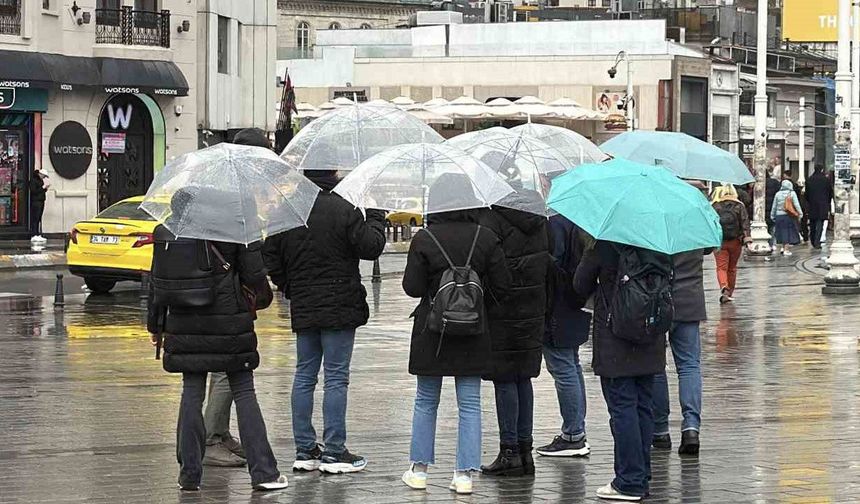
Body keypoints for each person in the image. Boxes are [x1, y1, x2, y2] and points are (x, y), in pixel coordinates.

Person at [147, 189, 287, 492]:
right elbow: (254, 276)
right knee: (244, 392)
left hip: (183, 324)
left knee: (191, 393)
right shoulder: (234, 229)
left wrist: (155, 326)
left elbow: (157, 283)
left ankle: (189, 476)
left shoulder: (166, 233)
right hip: (229, 323)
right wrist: (258, 298)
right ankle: (264, 473)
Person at [264, 170, 385, 474]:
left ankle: (305, 450)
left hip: (305, 305)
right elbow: (371, 247)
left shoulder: (289, 210)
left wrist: (290, 286)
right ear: (331, 176)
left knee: (304, 375)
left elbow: (270, 258)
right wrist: (374, 214)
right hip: (339, 305)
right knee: (335, 377)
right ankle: (334, 451)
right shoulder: (344, 208)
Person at [400, 174, 511, 495]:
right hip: (474, 330)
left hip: (432, 331)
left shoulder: (425, 239)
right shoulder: (486, 238)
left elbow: (412, 288)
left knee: (425, 400)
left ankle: (419, 470)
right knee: (470, 404)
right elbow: (503, 286)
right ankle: (464, 475)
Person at [574, 241, 667, 502]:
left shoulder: (604, 246)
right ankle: (642, 475)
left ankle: (629, 481)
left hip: (615, 338)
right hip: (650, 335)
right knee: (643, 407)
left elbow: (579, 285)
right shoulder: (658, 244)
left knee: (623, 408)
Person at [202, 127, 273, 468]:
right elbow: (249, 253)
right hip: (227, 293)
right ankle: (211, 439)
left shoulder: (215, 184)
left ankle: (219, 431)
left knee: (223, 368)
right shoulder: (238, 195)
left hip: (212, 290)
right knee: (228, 368)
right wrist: (261, 291)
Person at [478, 190, 549, 477]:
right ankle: (525, 452)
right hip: (534, 307)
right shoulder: (539, 217)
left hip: (502, 310)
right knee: (523, 377)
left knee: (504, 378)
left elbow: (487, 264)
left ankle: (509, 452)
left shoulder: (492, 218)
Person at [536, 213, 594, 459]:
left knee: (562, 367)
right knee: (571, 364)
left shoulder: (557, 223)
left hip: (558, 305)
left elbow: (554, 265)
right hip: (577, 303)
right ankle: (576, 430)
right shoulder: (584, 221)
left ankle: (573, 435)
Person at [652, 249, 707, 456]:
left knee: (656, 365)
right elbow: (710, 246)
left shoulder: (651, 220)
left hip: (657, 300)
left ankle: (660, 430)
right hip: (689, 300)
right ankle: (691, 427)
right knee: (689, 365)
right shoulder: (695, 220)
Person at [711, 185, 751, 303]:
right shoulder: (739, 206)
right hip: (735, 241)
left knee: (721, 267)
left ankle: (724, 286)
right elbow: (745, 223)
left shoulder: (715, 206)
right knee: (732, 268)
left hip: (719, 241)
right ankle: (730, 293)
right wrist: (747, 238)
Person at [771, 179, 803, 256]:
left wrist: (772, 215)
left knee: (781, 231)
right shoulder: (792, 193)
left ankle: (783, 247)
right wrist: (800, 213)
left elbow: (774, 206)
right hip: (788, 215)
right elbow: (796, 205)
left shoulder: (777, 194)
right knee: (788, 232)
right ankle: (786, 249)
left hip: (779, 215)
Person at [804, 165, 833, 249]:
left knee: (812, 223)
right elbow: (830, 193)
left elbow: (807, 194)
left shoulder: (809, 179)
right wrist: (828, 203)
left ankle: (812, 240)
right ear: (822, 169)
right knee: (820, 223)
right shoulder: (826, 180)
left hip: (812, 204)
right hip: (823, 205)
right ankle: (817, 241)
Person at [29, 168, 48, 237]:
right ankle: (34, 234)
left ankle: (37, 233)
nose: (44, 177)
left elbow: (39, 190)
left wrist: (45, 189)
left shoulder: (40, 180)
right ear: (40, 174)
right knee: (35, 218)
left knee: (38, 218)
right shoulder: (33, 180)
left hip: (40, 200)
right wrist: (43, 188)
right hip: (36, 201)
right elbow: (34, 191)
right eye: (44, 176)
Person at [765, 171, 781, 249]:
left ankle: (767, 244)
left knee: (765, 228)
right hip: (773, 208)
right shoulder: (775, 182)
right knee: (772, 228)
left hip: (763, 210)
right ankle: (771, 244)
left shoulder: (758, 184)